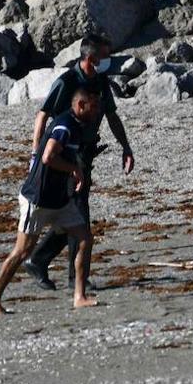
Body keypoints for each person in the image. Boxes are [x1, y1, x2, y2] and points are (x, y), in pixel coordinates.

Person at [23, 33, 134, 291]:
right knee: (77, 215)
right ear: (91, 58)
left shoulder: (101, 82)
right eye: (105, 57)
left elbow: (112, 116)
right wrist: (35, 156)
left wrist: (126, 147)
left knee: (74, 214)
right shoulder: (67, 82)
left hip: (85, 153)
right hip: (64, 155)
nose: (109, 61)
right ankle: (62, 271)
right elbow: (42, 117)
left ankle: (44, 262)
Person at [0, 87, 101, 314]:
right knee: (22, 251)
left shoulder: (77, 126)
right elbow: (48, 157)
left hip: (59, 200)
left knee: (85, 238)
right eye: (93, 106)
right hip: (37, 199)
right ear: (80, 105)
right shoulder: (64, 126)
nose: (97, 111)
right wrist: (75, 170)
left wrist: (73, 173)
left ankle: (79, 296)